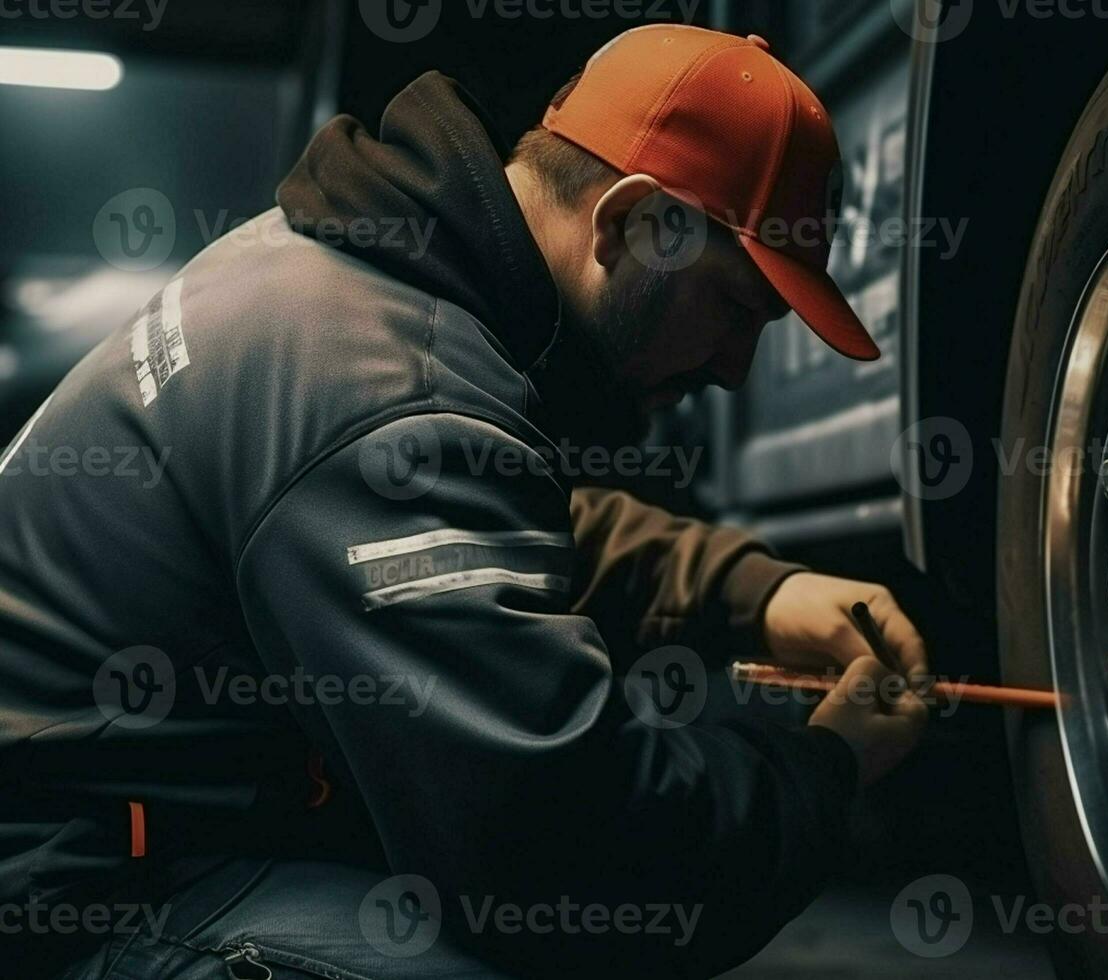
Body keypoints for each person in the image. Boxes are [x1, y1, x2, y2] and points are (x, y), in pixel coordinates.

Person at [1, 25, 930, 979]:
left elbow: (488, 513)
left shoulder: (356, 268)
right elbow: (572, 858)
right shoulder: (387, 387)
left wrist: (755, 593)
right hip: (66, 896)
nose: (736, 371)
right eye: (736, 310)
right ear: (631, 222)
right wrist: (829, 768)